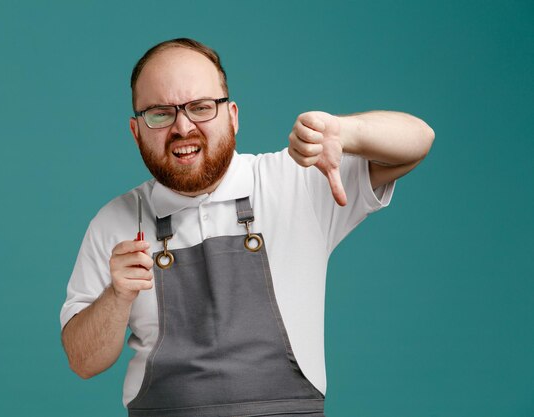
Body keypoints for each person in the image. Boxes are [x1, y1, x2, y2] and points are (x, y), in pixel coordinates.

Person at [60, 38, 434, 417]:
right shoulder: (116, 221)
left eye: (201, 108)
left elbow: (419, 139)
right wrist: (117, 295)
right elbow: (82, 360)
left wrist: (345, 132)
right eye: (159, 113)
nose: (182, 126)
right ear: (136, 130)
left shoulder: (296, 181)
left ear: (233, 115)